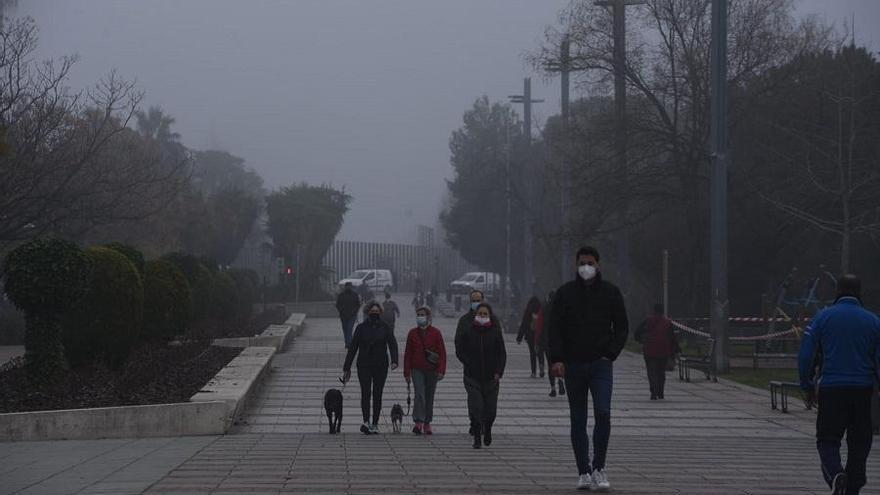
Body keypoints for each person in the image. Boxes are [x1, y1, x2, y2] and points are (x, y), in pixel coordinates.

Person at [549, 246, 628, 492]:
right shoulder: (565, 294)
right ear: (576, 265)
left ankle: (598, 467)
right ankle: (583, 471)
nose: (586, 267)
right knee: (578, 419)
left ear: (598, 264)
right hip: (574, 365)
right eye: (582, 262)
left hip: (601, 364)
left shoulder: (611, 293)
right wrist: (557, 359)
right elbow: (555, 330)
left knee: (603, 412)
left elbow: (622, 327)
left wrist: (610, 353)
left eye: (590, 262)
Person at [798, 274, 880, 495]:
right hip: (863, 391)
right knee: (860, 441)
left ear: (838, 292)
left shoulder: (822, 318)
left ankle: (835, 474)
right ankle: (853, 485)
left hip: (832, 389)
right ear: (859, 292)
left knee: (827, 439)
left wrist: (806, 384)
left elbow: (806, 355)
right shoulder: (873, 321)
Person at [342, 301, 399, 435]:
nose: (374, 313)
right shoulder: (361, 328)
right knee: (365, 393)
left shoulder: (385, 327)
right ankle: (366, 421)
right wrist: (347, 367)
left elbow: (393, 344)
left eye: (377, 311)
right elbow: (353, 348)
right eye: (372, 311)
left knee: (378, 394)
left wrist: (394, 360)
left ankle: (375, 423)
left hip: (381, 365)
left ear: (380, 312)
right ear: (368, 312)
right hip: (364, 364)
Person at [455, 302, 506, 449]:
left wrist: (498, 372)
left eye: (485, 314)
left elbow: (502, 354)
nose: (482, 316)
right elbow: (460, 349)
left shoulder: (495, 332)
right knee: (476, 407)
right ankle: (477, 437)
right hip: (472, 377)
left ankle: (488, 428)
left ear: (490, 316)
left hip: (491, 378)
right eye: (480, 314)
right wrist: (467, 362)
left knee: (491, 410)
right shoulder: (469, 331)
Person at [403, 306, 447, 435]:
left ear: (428, 317)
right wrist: (407, 372)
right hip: (417, 369)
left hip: (432, 369)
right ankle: (418, 421)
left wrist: (441, 370)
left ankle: (427, 422)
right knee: (419, 395)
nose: (420, 317)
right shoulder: (412, 333)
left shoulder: (436, 333)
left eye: (422, 314)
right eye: (418, 315)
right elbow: (408, 354)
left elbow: (442, 353)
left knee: (429, 396)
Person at [634, 303, 680, 400]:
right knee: (661, 372)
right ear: (663, 311)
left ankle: (653, 392)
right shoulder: (668, 322)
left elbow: (637, 332)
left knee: (651, 372)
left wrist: (641, 341)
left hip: (649, 350)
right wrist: (676, 350)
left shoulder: (648, 320)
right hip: (663, 351)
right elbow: (672, 338)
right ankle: (660, 392)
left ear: (654, 310)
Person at [542, 290, 566, 397]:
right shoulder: (562, 308)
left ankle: (553, 389)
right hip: (560, 342)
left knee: (550, 364)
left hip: (548, 341)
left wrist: (538, 341)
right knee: (559, 362)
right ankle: (560, 381)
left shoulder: (545, 308)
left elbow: (540, 326)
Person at [517, 296, 544, 378]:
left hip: (530, 336)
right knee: (540, 352)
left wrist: (519, 337)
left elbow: (524, 324)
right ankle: (541, 366)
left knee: (532, 353)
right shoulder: (542, 310)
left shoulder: (528, 311)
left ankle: (533, 372)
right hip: (540, 335)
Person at [335, 282, 361, 349]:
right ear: (345, 287)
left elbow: (358, 304)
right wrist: (341, 311)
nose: (349, 288)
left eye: (350, 286)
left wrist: (355, 312)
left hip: (352, 316)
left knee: (349, 329)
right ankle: (347, 343)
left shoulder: (355, 295)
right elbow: (338, 305)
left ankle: (349, 343)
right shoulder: (341, 295)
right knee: (345, 329)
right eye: (348, 286)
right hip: (343, 315)